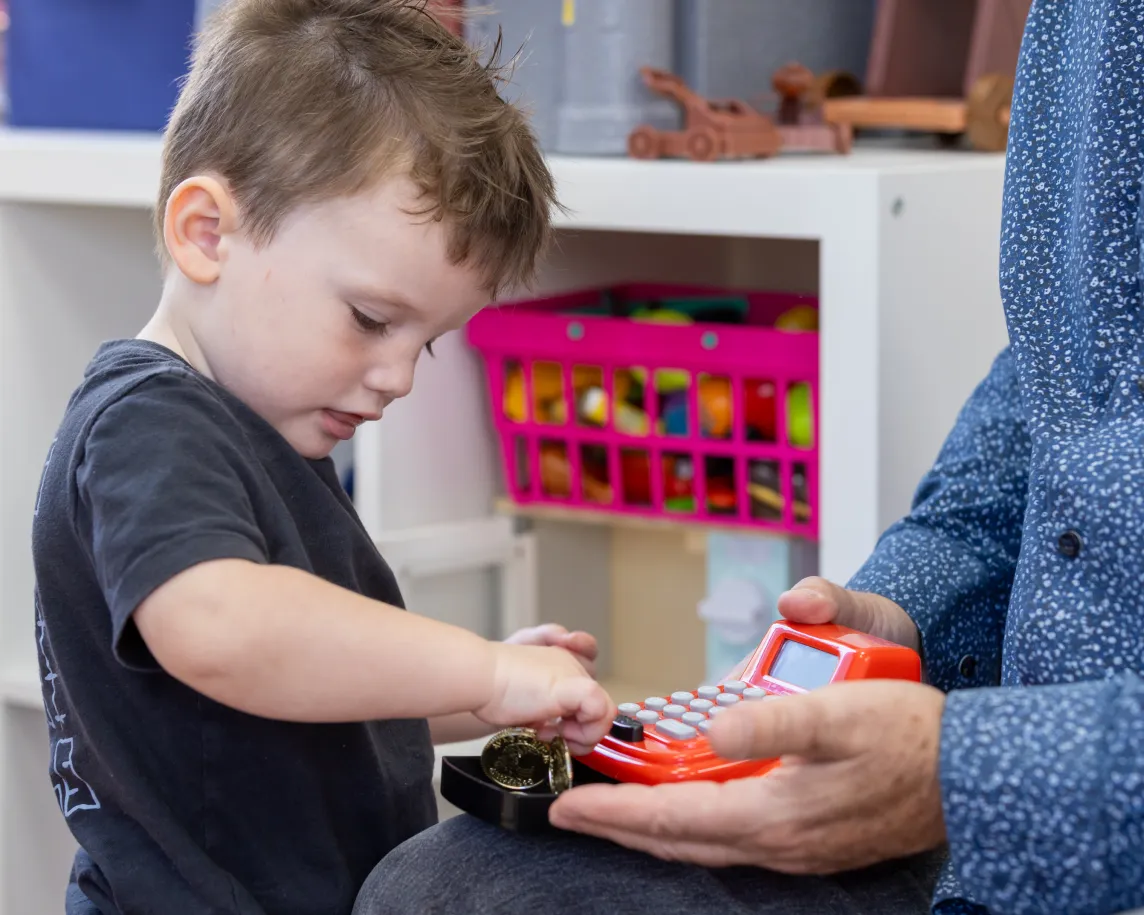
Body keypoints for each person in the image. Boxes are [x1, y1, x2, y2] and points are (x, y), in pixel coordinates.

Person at [357, 1, 1144, 913]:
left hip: (1066, 806)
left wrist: (978, 775)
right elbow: (1069, 378)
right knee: (446, 888)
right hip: (991, 812)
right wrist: (905, 608)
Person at [30, 2, 617, 913]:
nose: (398, 378)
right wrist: (484, 669)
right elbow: (224, 630)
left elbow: (304, 703)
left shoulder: (266, 426)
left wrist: (486, 689)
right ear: (207, 234)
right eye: (372, 320)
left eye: (423, 345)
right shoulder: (148, 426)